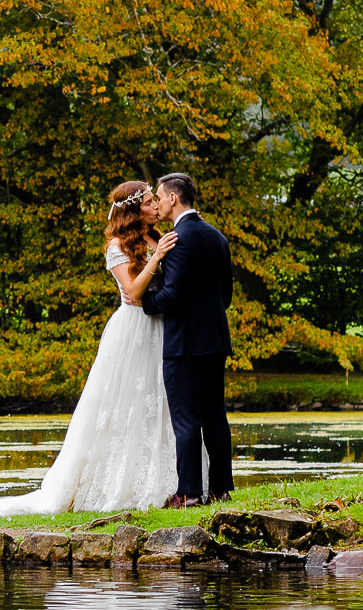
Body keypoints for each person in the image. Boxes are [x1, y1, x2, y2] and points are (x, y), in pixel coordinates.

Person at [0, 180, 183, 516]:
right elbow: (132, 291)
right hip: (132, 329)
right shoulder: (118, 245)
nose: (155, 207)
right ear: (133, 210)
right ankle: (117, 484)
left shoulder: (158, 237)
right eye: (148, 202)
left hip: (162, 327)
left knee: (160, 401)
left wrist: (161, 251)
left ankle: (170, 482)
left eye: (153, 201)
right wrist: (156, 258)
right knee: (125, 404)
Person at [141, 171, 234, 507]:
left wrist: (145, 303)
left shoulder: (178, 239)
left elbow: (172, 295)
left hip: (183, 344)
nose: (159, 203)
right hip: (215, 340)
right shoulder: (217, 237)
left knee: (185, 418)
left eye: (161, 197)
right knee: (215, 416)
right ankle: (222, 489)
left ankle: (190, 492)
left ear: (173, 198)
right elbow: (226, 297)